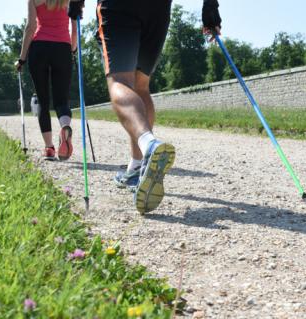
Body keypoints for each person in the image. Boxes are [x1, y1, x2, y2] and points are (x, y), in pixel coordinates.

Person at [68, 0, 222, 213]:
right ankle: (136, 166)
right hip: (157, 9)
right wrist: (210, 8)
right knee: (141, 85)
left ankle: (148, 144)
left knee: (120, 81)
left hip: (118, 6)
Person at [16, 0, 78, 161]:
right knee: (61, 100)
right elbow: (75, 28)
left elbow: (30, 27)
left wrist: (21, 59)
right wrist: (73, 48)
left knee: (43, 101)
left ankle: (49, 148)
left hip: (39, 49)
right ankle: (65, 126)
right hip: (63, 48)